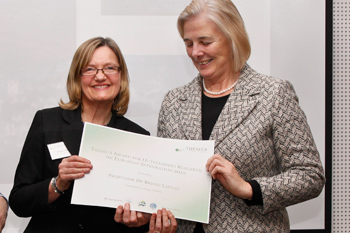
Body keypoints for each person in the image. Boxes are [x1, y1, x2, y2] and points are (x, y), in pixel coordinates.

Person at [157, 0, 326, 232]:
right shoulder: (173, 102)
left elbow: (310, 176)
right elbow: (163, 178)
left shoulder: (274, 94)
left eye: (205, 42)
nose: (196, 52)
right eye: (189, 43)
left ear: (232, 37)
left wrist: (249, 189)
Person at [9, 36, 152, 232]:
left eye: (110, 68)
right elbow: (19, 202)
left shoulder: (138, 137)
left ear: (121, 76)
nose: (100, 76)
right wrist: (57, 183)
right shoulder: (47, 122)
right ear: (77, 76)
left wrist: (139, 221)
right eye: (90, 69)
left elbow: (140, 214)